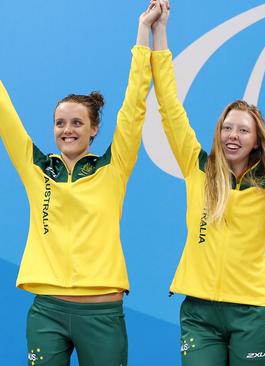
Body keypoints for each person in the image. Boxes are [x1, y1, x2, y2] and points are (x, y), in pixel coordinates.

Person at [148, 1, 265, 364]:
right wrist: (159, 32)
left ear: (257, 140)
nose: (232, 135)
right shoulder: (198, 167)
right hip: (199, 313)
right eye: (227, 127)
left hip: (250, 312)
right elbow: (169, 105)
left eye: (243, 130)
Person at [0, 2, 161, 365]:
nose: (67, 130)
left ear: (94, 129)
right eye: (60, 123)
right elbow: (4, 110)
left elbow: (135, 105)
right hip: (47, 313)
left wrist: (143, 30)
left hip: (101, 314)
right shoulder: (37, 168)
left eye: (76, 122)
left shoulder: (113, 167)